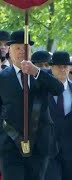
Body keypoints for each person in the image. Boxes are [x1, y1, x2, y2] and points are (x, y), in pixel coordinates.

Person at [0, 30, 64, 180]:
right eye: (17, 48)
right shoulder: (0, 78)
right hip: (10, 144)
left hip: (39, 144)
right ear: (9, 52)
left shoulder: (42, 74)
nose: (21, 52)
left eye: (25, 48)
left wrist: (36, 72)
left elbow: (58, 89)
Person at [45, 51, 72, 180]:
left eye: (65, 66)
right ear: (52, 67)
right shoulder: (42, 90)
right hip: (48, 150)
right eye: (58, 66)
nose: (62, 69)